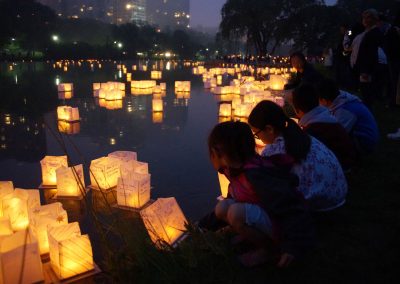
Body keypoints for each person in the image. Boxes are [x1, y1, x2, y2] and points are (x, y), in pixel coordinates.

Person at [208, 121, 315, 267]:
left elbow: (291, 208)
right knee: (222, 207)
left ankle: (270, 251)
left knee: (236, 213)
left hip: (280, 224)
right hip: (265, 212)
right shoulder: (233, 169)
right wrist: (204, 226)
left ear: (216, 152)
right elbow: (232, 197)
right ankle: (248, 235)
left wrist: (292, 246)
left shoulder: (256, 175)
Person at [248, 101, 348, 212]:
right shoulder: (302, 136)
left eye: (256, 133)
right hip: (338, 194)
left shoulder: (274, 151)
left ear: (269, 129)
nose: (257, 137)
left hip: (318, 206)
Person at [292, 84, 356, 171]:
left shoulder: (313, 130)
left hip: (340, 167)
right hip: (345, 160)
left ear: (297, 110)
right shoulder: (325, 116)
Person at [317, 78, 379, 155]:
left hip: (365, 142)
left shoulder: (345, 111)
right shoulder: (341, 99)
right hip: (359, 135)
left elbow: (336, 134)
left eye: (319, 100)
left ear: (324, 100)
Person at [353, 9, 384, 108]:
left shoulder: (374, 33)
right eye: (364, 17)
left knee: (367, 91)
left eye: (368, 17)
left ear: (374, 19)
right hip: (366, 67)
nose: (365, 20)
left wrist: (365, 70)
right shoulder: (369, 33)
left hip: (368, 68)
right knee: (365, 90)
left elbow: (370, 53)